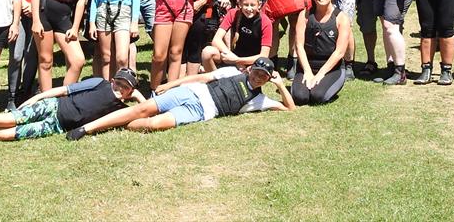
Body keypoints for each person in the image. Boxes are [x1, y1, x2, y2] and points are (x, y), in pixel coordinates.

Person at [64, 57, 294, 138]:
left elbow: (290, 109)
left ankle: (117, 122)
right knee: (140, 110)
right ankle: (87, 128)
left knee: (152, 123)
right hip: (190, 92)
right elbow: (201, 79)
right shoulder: (232, 72)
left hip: (200, 112)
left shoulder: (259, 100)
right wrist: (170, 84)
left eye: (264, 77)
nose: (258, 78)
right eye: (257, 72)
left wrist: (280, 85)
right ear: (250, 69)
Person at [0, 67, 143, 141]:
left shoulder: (121, 109)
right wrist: (36, 98)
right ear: (113, 80)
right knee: (11, 120)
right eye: (118, 82)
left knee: (14, 134)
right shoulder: (100, 83)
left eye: (126, 87)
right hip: (54, 106)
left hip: (57, 126)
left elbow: (143, 111)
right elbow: (64, 90)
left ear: (130, 91)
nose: (119, 87)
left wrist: (138, 97)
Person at [291, 0, 350, 105]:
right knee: (300, 98)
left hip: (332, 68)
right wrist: (307, 71)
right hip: (308, 65)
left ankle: (331, 81)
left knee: (317, 96)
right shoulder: (304, 15)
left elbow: (340, 52)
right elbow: (299, 45)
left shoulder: (341, 18)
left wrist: (320, 74)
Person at [201, 0, 272, 71]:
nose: (249, 9)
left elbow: (264, 55)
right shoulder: (233, 13)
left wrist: (238, 60)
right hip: (233, 56)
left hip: (252, 61)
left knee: (249, 72)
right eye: (246, 5)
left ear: (259, 5)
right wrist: (233, 58)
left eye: (252, 5)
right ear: (240, 4)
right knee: (207, 52)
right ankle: (215, 80)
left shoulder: (265, 22)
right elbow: (216, 40)